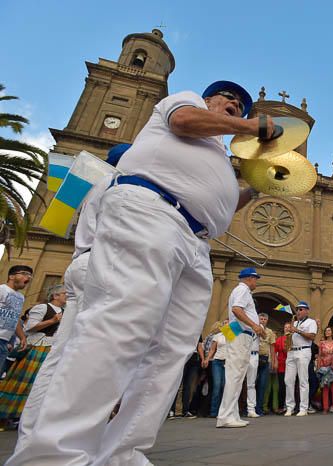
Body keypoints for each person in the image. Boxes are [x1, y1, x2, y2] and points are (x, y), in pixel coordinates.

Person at [8, 80, 271, 464]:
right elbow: (183, 121)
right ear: (207, 99)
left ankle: (123, 452)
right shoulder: (184, 104)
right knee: (118, 328)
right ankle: (52, 457)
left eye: (242, 106)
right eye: (227, 97)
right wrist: (250, 128)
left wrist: (257, 189)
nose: (235, 103)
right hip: (152, 214)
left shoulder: (215, 150)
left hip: (195, 241)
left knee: (169, 353)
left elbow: (220, 204)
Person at [11, 144, 129, 451]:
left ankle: (32, 434)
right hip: (101, 265)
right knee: (97, 352)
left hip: (79, 264)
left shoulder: (94, 182)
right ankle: (73, 438)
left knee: (61, 354)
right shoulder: (120, 184)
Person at [0, 284, 66, 430]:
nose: (66, 296)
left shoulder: (64, 311)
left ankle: (20, 416)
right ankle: (4, 415)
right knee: (20, 381)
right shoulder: (43, 308)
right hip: (36, 347)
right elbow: (30, 327)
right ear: (55, 296)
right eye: (64, 293)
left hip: (50, 348)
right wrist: (52, 321)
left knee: (35, 383)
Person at [217, 267, 265, 428]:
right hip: (241, 334)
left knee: (237, 375)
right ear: (249, 278)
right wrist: (254, 325)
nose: (256, 282)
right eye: (255, 279)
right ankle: (225, 416)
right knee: (235, 375)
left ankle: (232, 414)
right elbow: (236, 310)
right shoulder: (242, 290)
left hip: (240, 333)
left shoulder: (241, 291)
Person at [284, 301, 317, 416]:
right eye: (297, 309)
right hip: (292, 352)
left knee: (303, 380)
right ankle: (290, 407)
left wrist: (297, 330)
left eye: (301, 309)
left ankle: (303, 408)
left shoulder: (311, 322)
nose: (298, 311)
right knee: (288, 380)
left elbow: (312, 336)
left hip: (304, 350)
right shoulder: (295, 322)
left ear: (307, 311)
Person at [0, 265, 31, 376]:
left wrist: (22, 337)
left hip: (4, 342)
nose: (28, 277)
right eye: (24, 273)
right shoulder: (2, 289)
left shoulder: (21, 297)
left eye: (30, 275)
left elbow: (15, 318)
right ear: (11, 276)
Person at [204, 322, 227, 418]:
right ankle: (214, 411)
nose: (225, 325)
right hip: (217, 362)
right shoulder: (217, 336)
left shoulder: (233, 335)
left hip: (228, 363)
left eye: (227, 323)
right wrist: (207, 359)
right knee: (217, 386)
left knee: (224, 386)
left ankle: (223, 411)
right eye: (224, 323)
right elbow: (212, 350)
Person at [256, 313, 276, 415]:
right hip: (255, 357)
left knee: (262, 385)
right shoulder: (254, 329)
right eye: (261, 318)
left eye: (264, 319)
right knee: (252, 384)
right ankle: (248, 408)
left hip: (265, 359)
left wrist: (273, 361)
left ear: (267, 321)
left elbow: (272, 348)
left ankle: (259, 408)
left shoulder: (270, 332)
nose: (263, 320)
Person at [318, 326, 333, 413]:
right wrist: (318, 367)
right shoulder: (322, 343)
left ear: (332, 332)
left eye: (329, 330)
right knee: (325, 387)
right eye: (326, 331)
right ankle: (325, 407)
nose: (327, 332)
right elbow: (319, 356)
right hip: (325, 368)